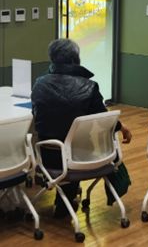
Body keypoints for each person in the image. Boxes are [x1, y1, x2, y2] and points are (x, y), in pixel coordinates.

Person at [31, 38, 132, 218]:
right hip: (83, 155)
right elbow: (104, 120)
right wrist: (121, 126)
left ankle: (65, 201)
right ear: (75, 59)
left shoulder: (39, 84)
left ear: (52, 58)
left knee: (65, 141)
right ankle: (65, 202)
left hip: (49, 156)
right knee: (75, 142)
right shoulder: (89, 87)